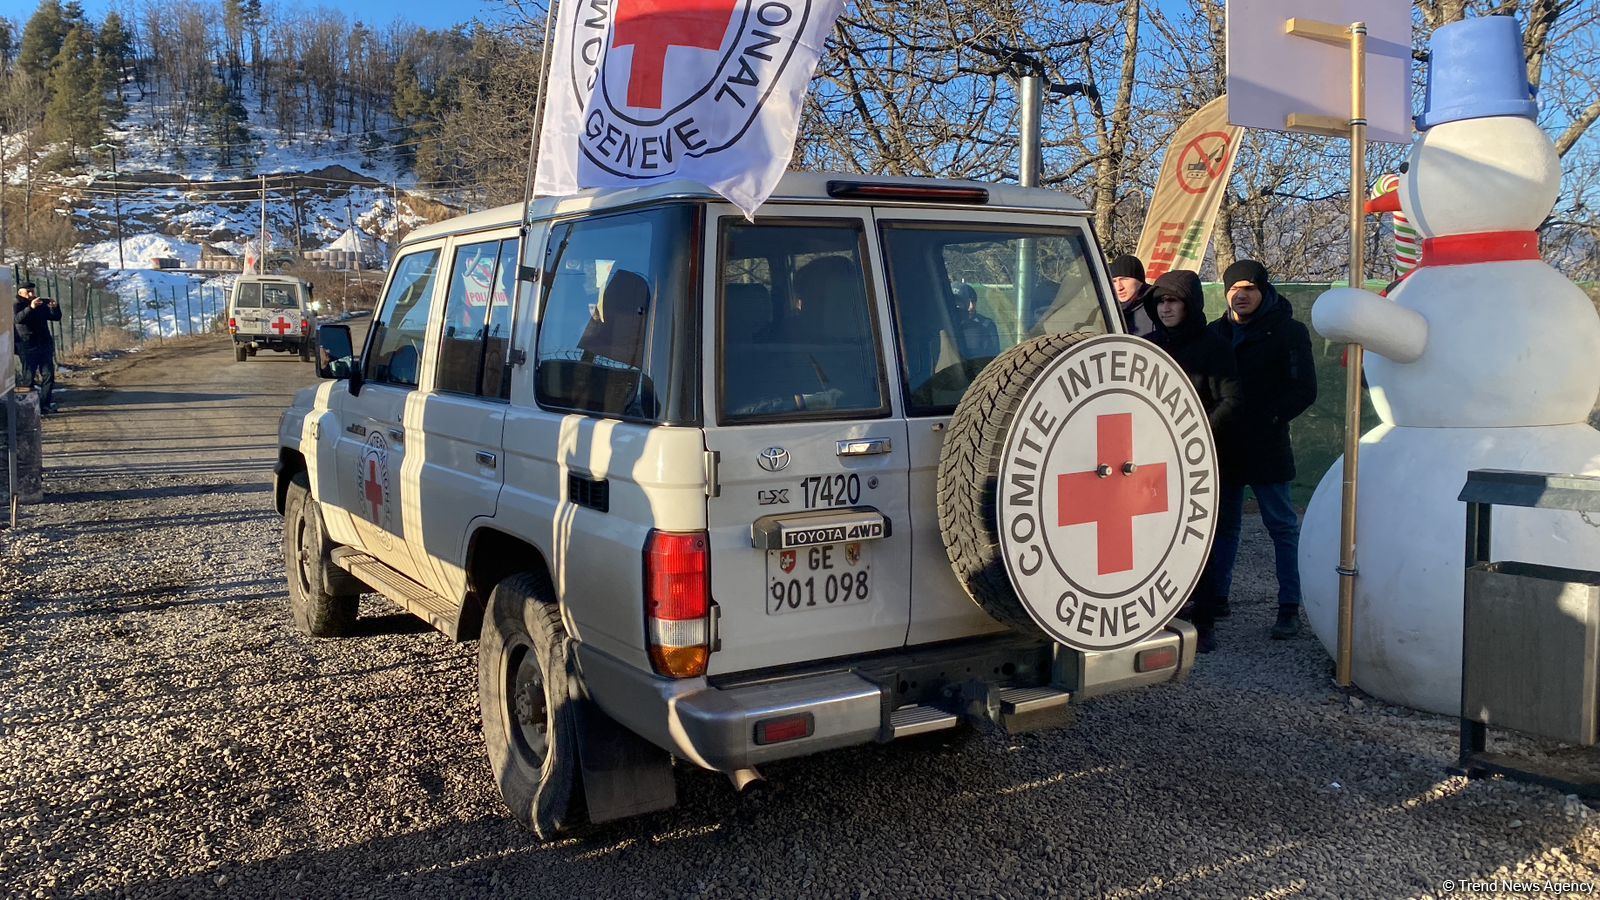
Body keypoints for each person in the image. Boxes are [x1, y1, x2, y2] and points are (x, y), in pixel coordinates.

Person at [1205, 260, 1317, 640]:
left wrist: (1270, 419)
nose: (1242, 295)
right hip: (1224, 445)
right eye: (1234, 288)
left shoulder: (1289, 332)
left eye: (1249, 288)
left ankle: (1289, 606)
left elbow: (1304, 389)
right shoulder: (1215, 333)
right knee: (1223, 526)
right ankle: (1217, 598)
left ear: (1264, 290)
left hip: (1267, 446)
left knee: (1282, 527)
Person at [1149, 270, 1242, 652]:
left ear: (1190, 304)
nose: (1166, 307)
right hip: (1154, 459)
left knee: (1197, 539)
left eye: (1173, 300)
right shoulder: (1149, 345)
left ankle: (1203, 621)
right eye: (1160, 301)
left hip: (1201, 460)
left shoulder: (1215, 346)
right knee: (1156, 539)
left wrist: (1194, 437)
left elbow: (1233, 400)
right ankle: (1159, 612)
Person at [13, 281, 61, 413]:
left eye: (32, 291)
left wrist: (55, 307)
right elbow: (17, 319)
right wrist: (30, 308)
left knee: (48, 376)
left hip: (44, 344)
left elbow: (55, 317)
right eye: (27, 291)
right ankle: (26, 408)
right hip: (27, 346)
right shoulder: (17, 305)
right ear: (20, 293)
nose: (31, 294)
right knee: (29, 377)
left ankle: (45, 404)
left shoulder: (39, 304)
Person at [1107, 254, 1159, 338]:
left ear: (1140, 280)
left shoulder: (1158, 305)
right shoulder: (1108, 309)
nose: (1119, 287)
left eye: (1124, 279)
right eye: (1114, 281)